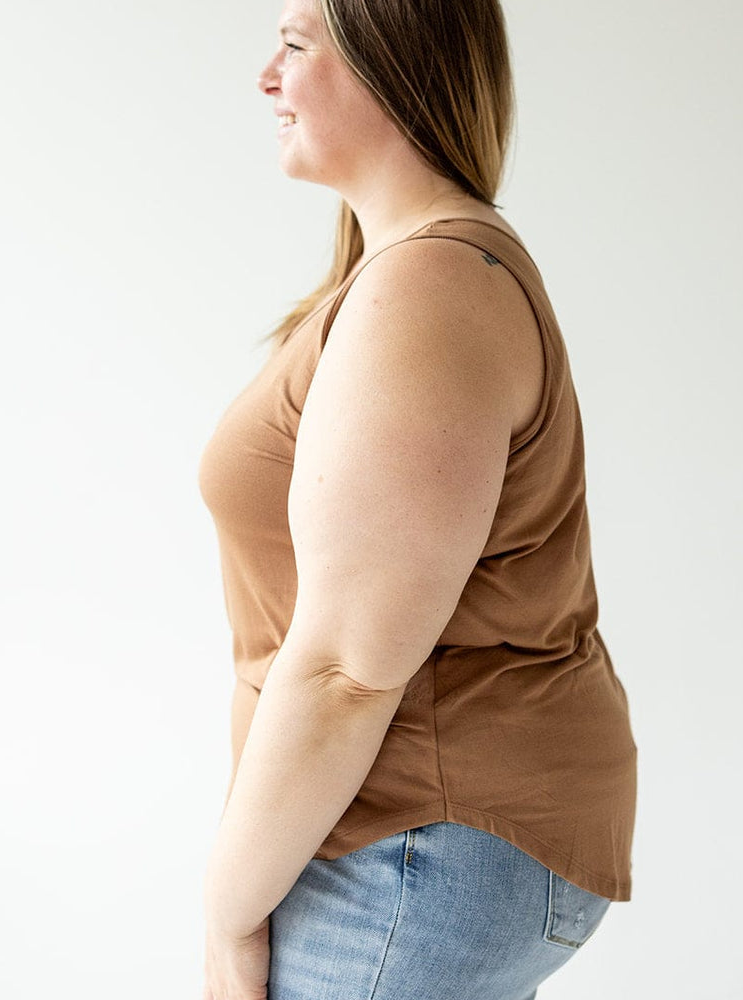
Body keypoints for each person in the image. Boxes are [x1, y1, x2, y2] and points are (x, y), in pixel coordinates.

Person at [196, 0, 638, 997]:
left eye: (295, 46)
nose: (265, 78)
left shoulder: (428, 287)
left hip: (410, 842)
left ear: (394, 69)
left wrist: (227, 916)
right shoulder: (413, 269)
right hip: (420, 835)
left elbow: (351, 668)